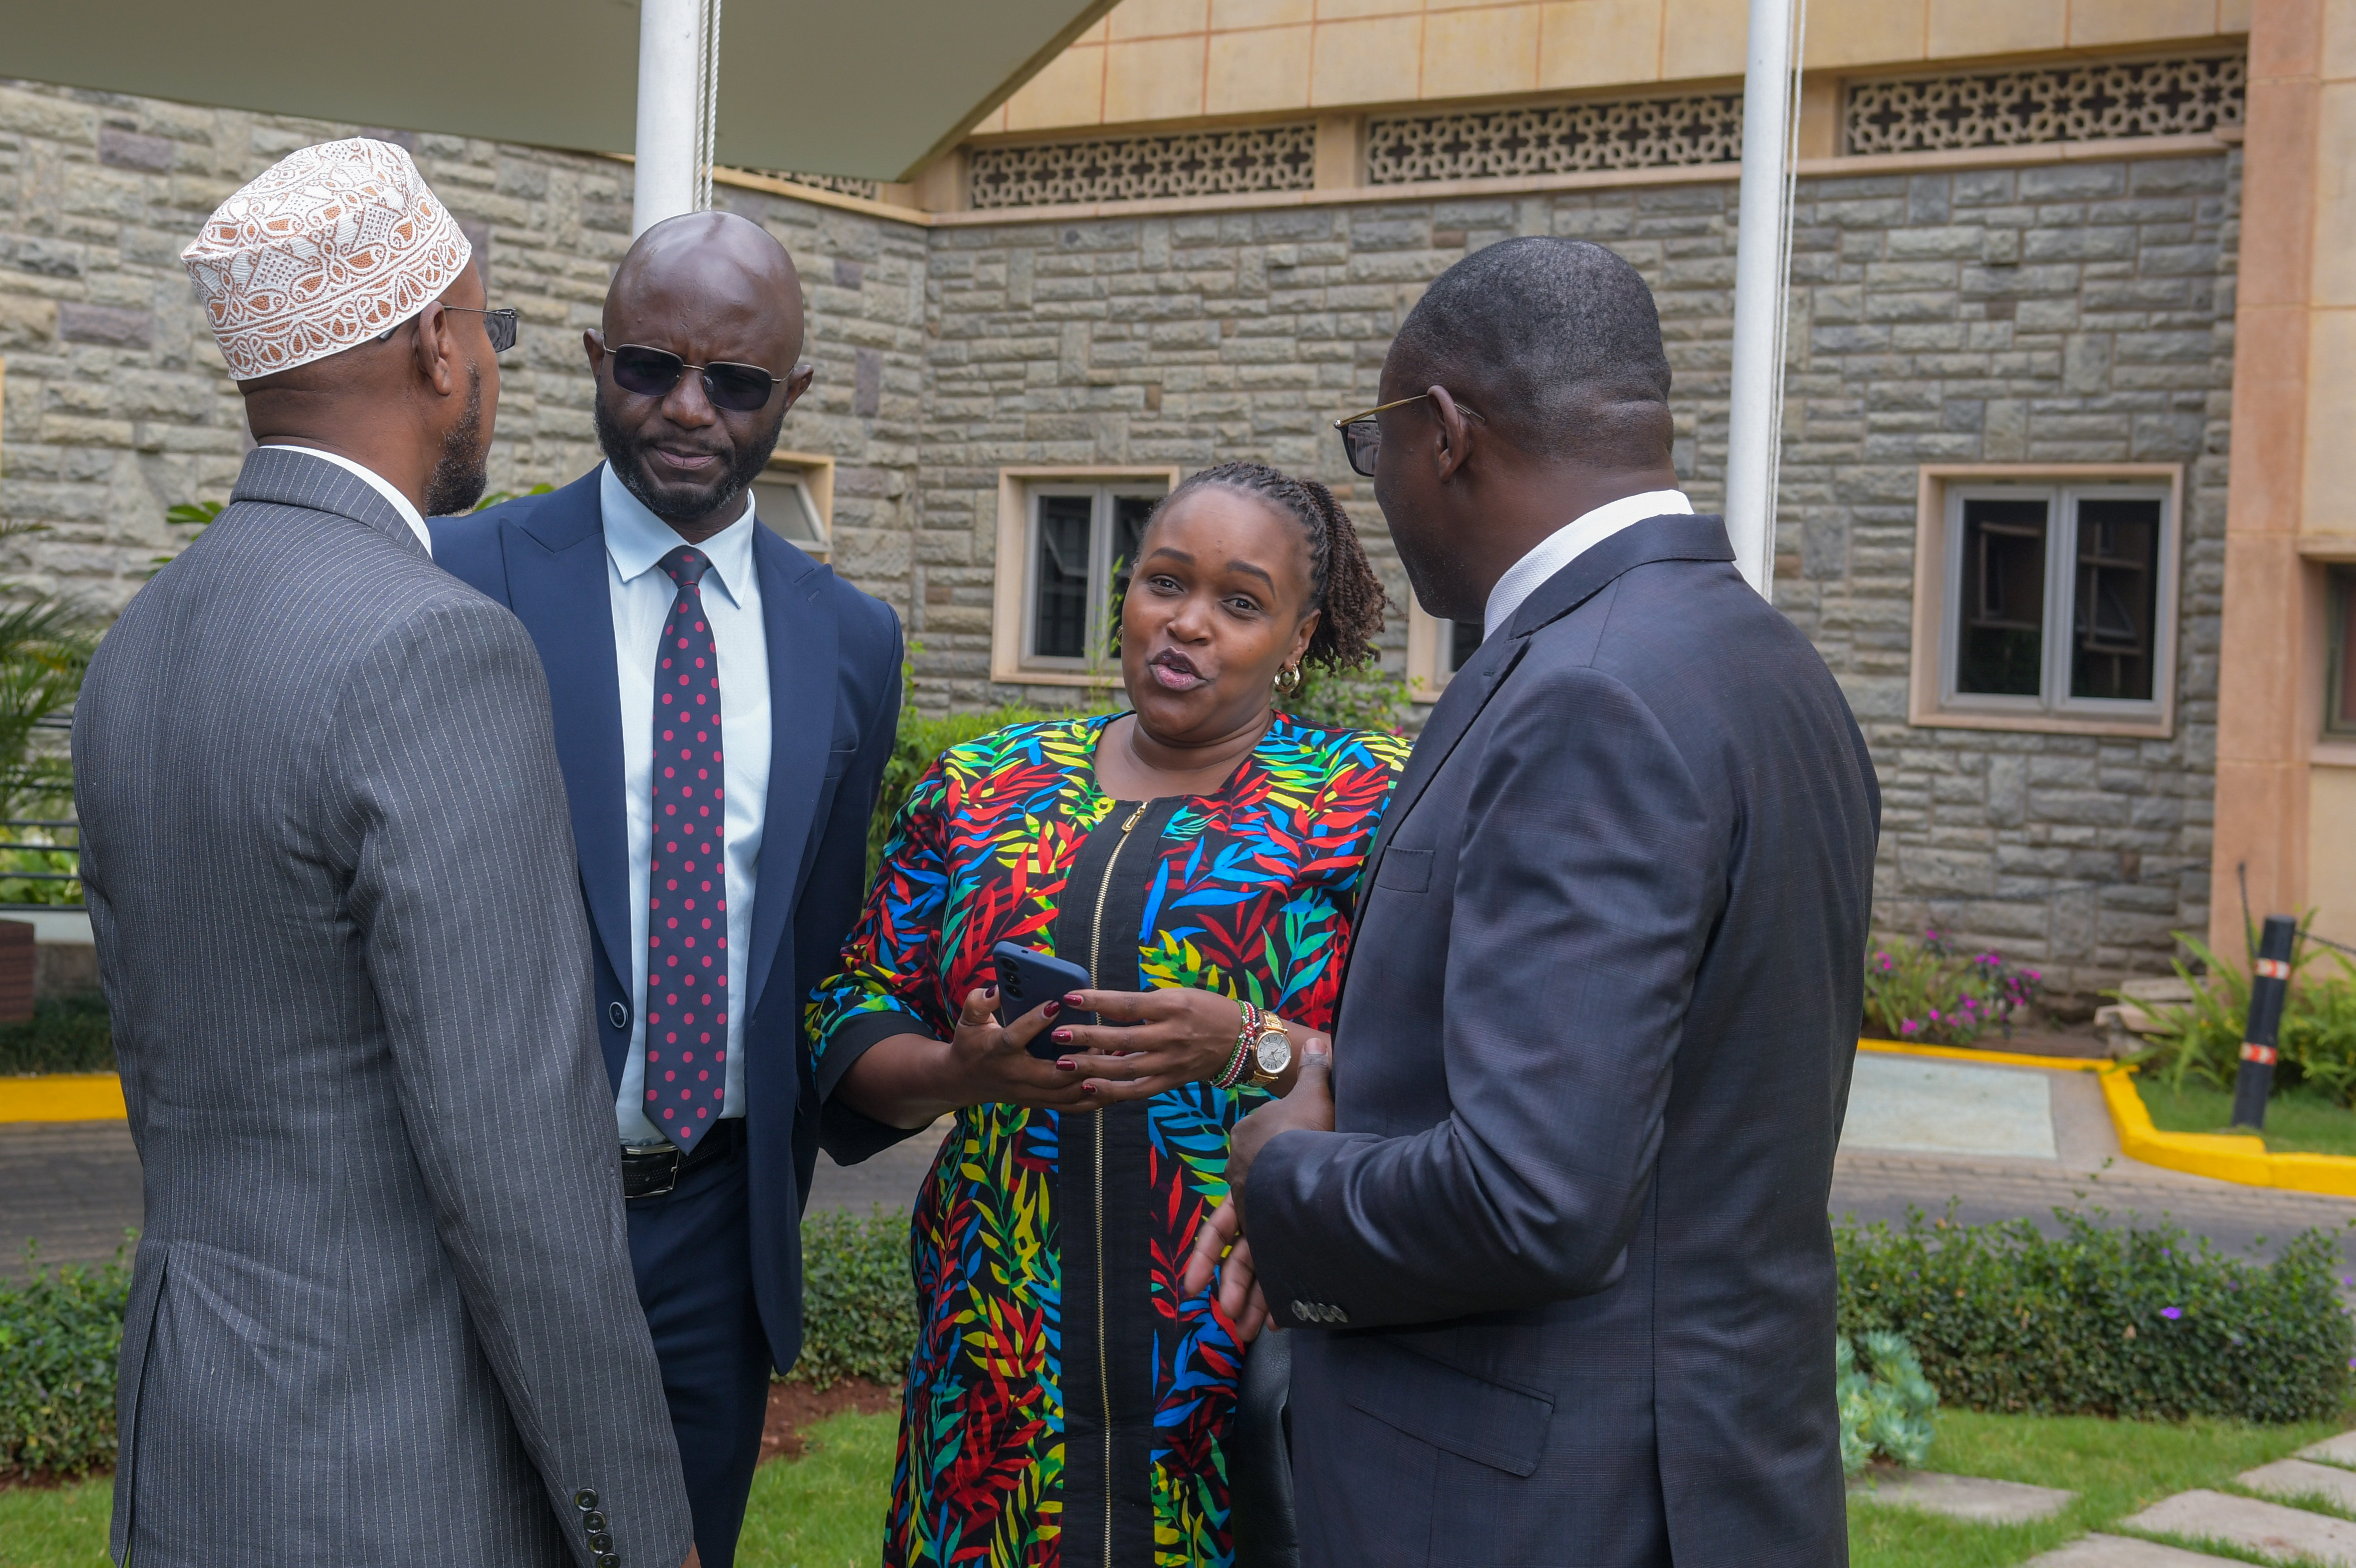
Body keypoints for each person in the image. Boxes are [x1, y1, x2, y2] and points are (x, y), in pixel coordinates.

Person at [1185, 238, 1881, 1567]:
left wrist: (1286, 1175)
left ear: (1446, 433)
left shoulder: (1587, 695)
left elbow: (1533, 1196)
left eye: (1375, 444)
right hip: (1722, 1476)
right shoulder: (1769, 662)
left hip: (1542, 1505)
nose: (1379, 483)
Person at [74, 139, 691, 1568]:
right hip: (397, 1458)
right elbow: (520, 1173)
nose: (492, 367)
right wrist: (638, 1527)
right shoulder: (438, 647)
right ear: (435, 347)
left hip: (190, 1435)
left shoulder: (138, 642)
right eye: (490, 327)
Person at [808, 461, 1408, 1568]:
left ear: (1299, 636)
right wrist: (955, 1071)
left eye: (1239, 601)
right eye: (1164, 582)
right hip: (998, 1366)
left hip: (1243, 1361)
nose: (1188, 622)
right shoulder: (985, 786)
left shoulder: (1369, 799)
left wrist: (1250, 1046)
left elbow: (1446, 1056)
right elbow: (852, 1003)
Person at [431, 209, 906, 1568]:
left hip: (716, 1235)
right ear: (596, 359)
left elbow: (820, 939)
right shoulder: (462, 576)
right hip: (506, 1223)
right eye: (650, 367)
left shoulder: (853, 640)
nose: (688, 409)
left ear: (791, 395)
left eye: (736, 382)